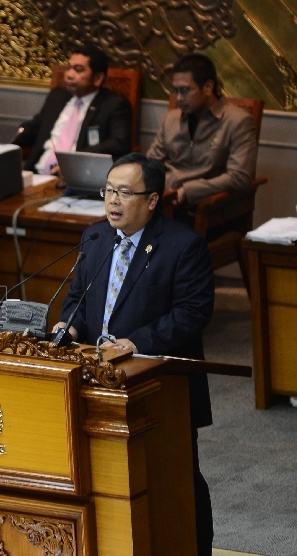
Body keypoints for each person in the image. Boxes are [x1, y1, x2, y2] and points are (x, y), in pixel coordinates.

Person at [53, 152, 215, 555]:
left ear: (153, 200)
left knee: (175, 476)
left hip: (159, 384)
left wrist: (136, 343)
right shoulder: (95, 237)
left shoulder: (183, 246)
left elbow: (193, 313)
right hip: (98, 377)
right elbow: (79, 297)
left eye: (125, 193)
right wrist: (67, 326)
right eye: (109, 191)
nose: (113, 201)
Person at [146, 53, 258, 212]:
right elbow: (150, 164)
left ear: (208, 87)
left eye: (185, 90)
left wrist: (189, 191)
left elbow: (239, 177)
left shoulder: (238, 121)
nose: (178, 98)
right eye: (175, 91)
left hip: (205, 210)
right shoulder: (171, 119)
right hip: (164, 203)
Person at [14, 44, 132, 175]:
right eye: (69, 67)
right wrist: (11, 138)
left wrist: (73, 161)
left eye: (78, 70)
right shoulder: (58, 97)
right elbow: (35, 127)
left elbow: (119, 143)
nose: (69, 74)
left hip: (76, 176)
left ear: (98, 78)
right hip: (36, 174)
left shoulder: (114, 105)